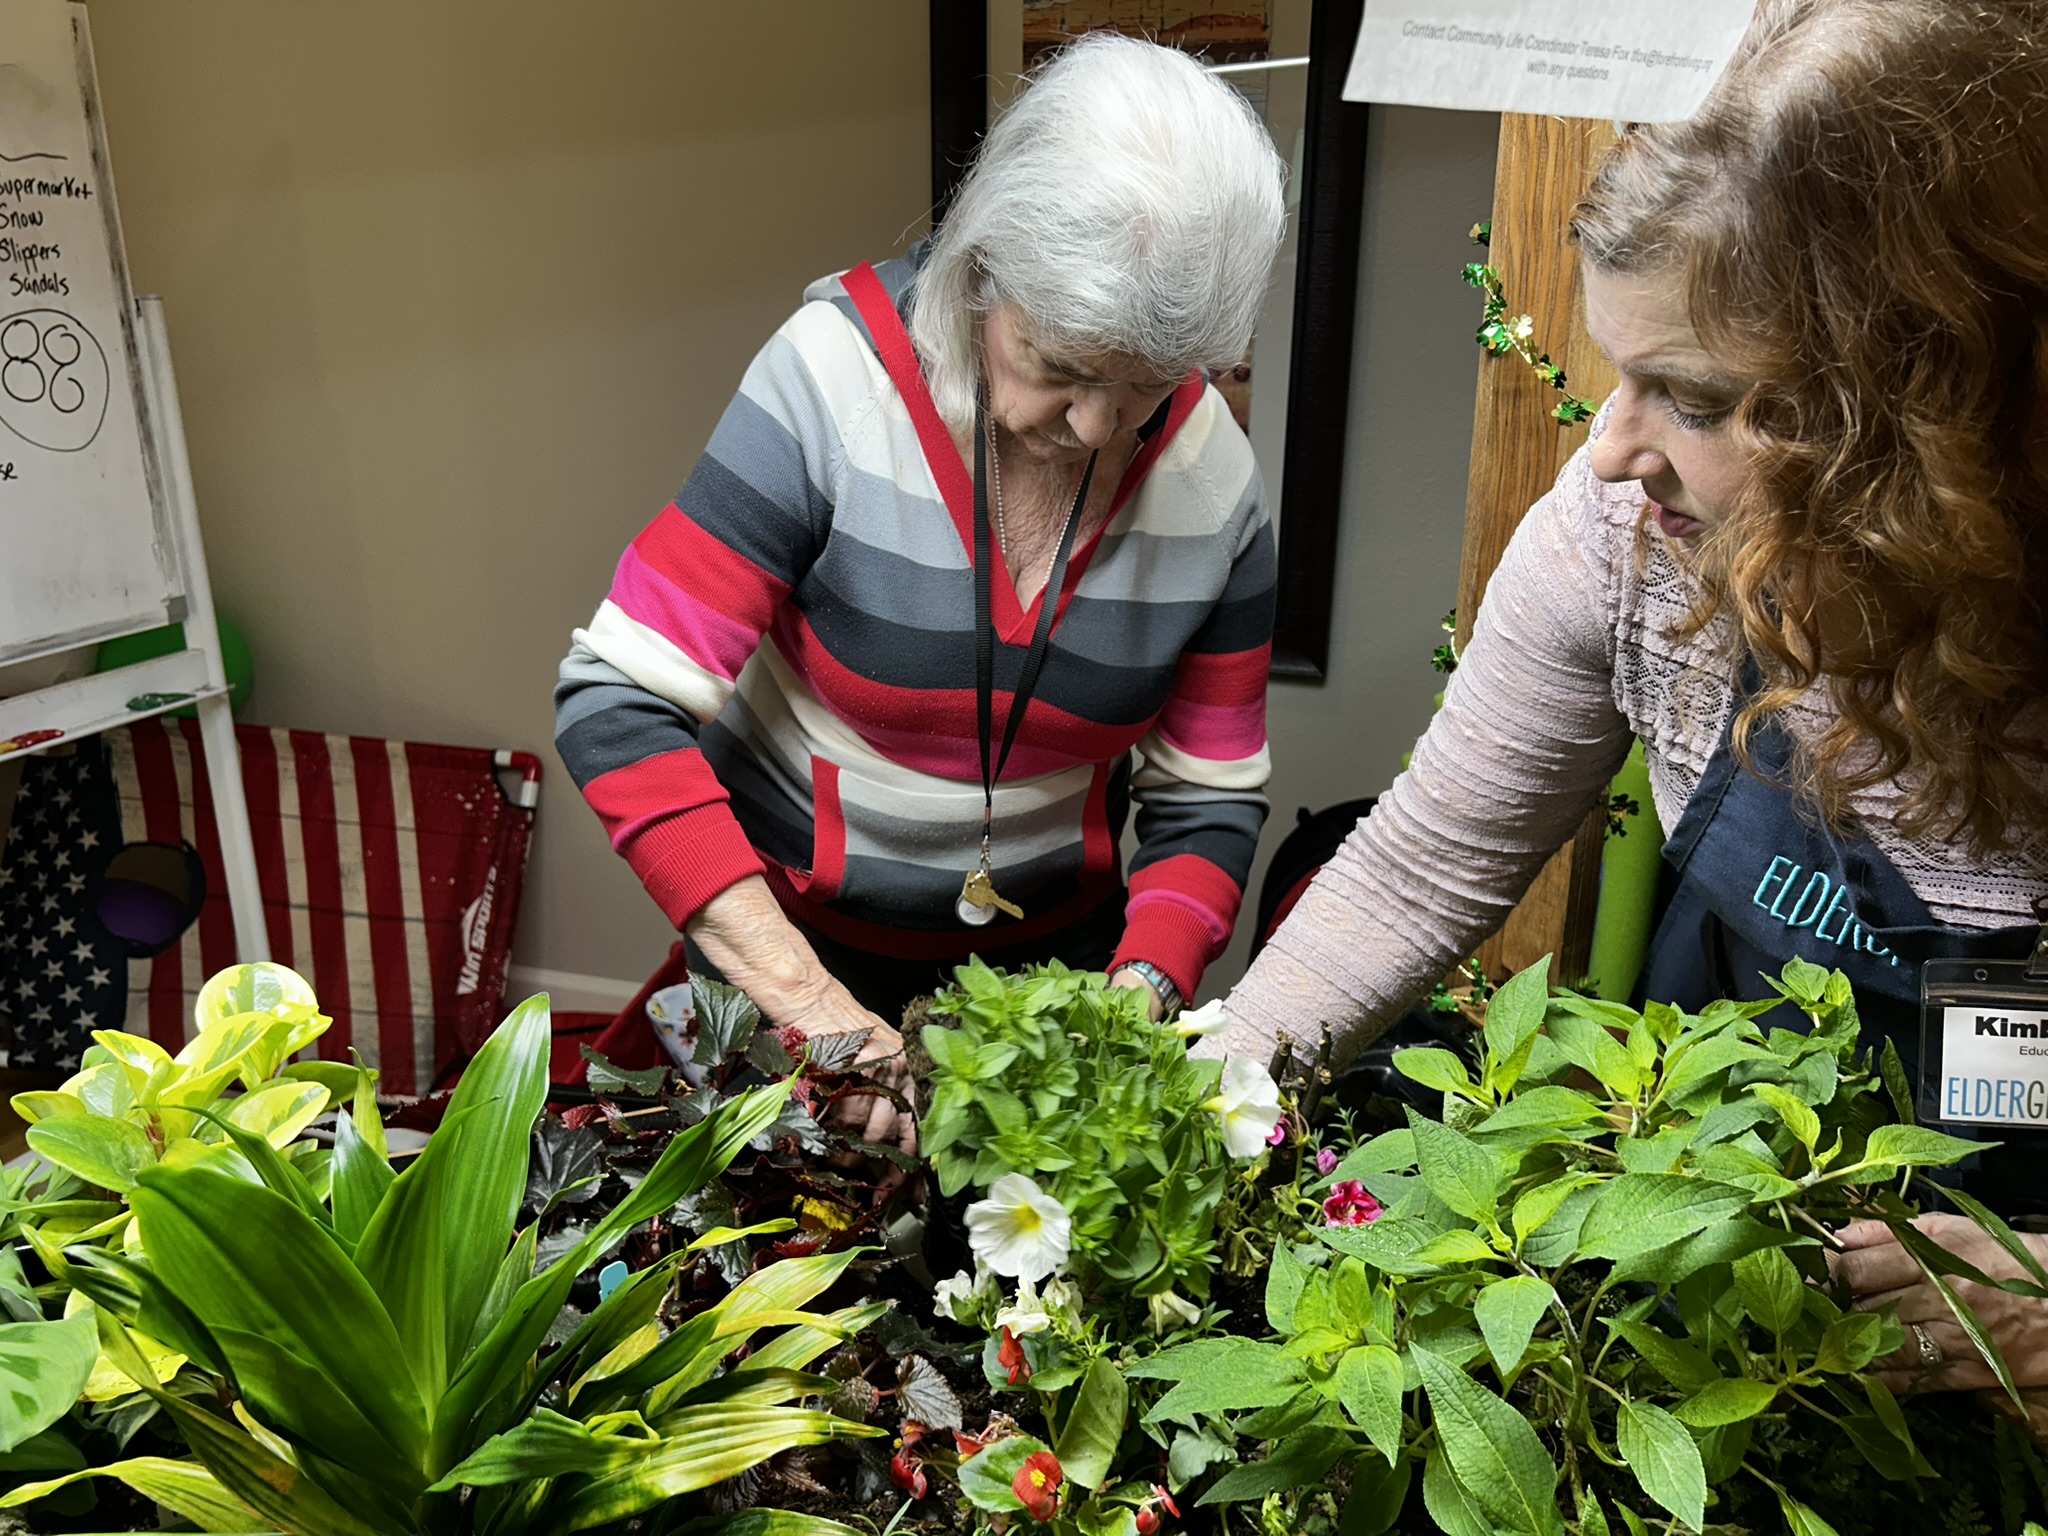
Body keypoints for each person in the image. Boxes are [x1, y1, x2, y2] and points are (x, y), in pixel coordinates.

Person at [1205, 0, 2048, 1400]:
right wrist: (1205, 1097)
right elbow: (1417, 876)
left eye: (1696, 399)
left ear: (1931, 419)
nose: (1608, 450)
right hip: (1730, 1330)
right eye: (1618, 373)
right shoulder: (1633, 550)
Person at [556, 33, 1286, 1146]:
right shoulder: (831, 385)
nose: (1096, 430)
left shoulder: (1215, 482)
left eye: (1143, 386)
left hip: (1051, 1004)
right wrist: (813, 1017)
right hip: (789, 974)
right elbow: (614, 703)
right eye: (1062, 367)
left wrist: (1133, 1004)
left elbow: (1205, 798)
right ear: (982, 273)